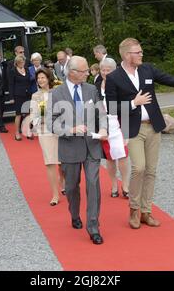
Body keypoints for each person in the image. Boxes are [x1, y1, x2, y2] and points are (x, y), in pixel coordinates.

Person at [105, 38, 174, 229]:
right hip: (133, 128)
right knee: (138, 168)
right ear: (126, 55)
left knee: (151, 170)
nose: (142, 55)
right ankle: (133, 209)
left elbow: (170, 79)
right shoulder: (115, 77)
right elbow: (110, 107)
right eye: (138, 52)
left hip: (154, 126)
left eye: (141, 51)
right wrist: (134, 103)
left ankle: (146, 212)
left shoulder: (148, 69)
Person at [49, 56, 108, 245]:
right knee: (72, 187)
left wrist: (104, 128)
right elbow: (51, 123)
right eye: (83, 71)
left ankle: (93, 226)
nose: (87, 74)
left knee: (93, 184)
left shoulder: (91, 89)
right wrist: (70, 130)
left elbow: (102, 113)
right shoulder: (57, 93)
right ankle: (74, 214)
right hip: (69, 147)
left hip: (92, 146)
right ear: (72, 72)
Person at [30, 68, 65, 206]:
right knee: (50, 162)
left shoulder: (57, 92)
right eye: (38, 78)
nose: (40, 80)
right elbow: (33, 115)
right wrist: (38, 120)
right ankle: (55, 194)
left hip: (60, 130)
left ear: (48, 78)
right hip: (44, 131)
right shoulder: (35, 96)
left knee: (62, 162)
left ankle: (63, 182)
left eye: (43, 78)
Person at [97, 58, 130, 198]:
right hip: (104, 125)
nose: (105, 73)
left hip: (119, 124)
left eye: (108, 70)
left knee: (122, 155)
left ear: (114, 70)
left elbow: (126, 107)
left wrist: (127, 130)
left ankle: (126, 185)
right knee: (109, 158)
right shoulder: (96, 85)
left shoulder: (121, 84)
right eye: (102, 70)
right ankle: (114, 184)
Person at [9, 55, 32, 141]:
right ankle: (17, 133)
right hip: (18, 95)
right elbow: (10, 84)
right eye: (20, 62)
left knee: (28, 114)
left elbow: (29, 81)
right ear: (16, 63)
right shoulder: (12, 71)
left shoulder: (26, 69)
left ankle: (28, 131)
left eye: (23, 62)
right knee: (18, 114)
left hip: (28, 94)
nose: (22, 63)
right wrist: (11, 97)